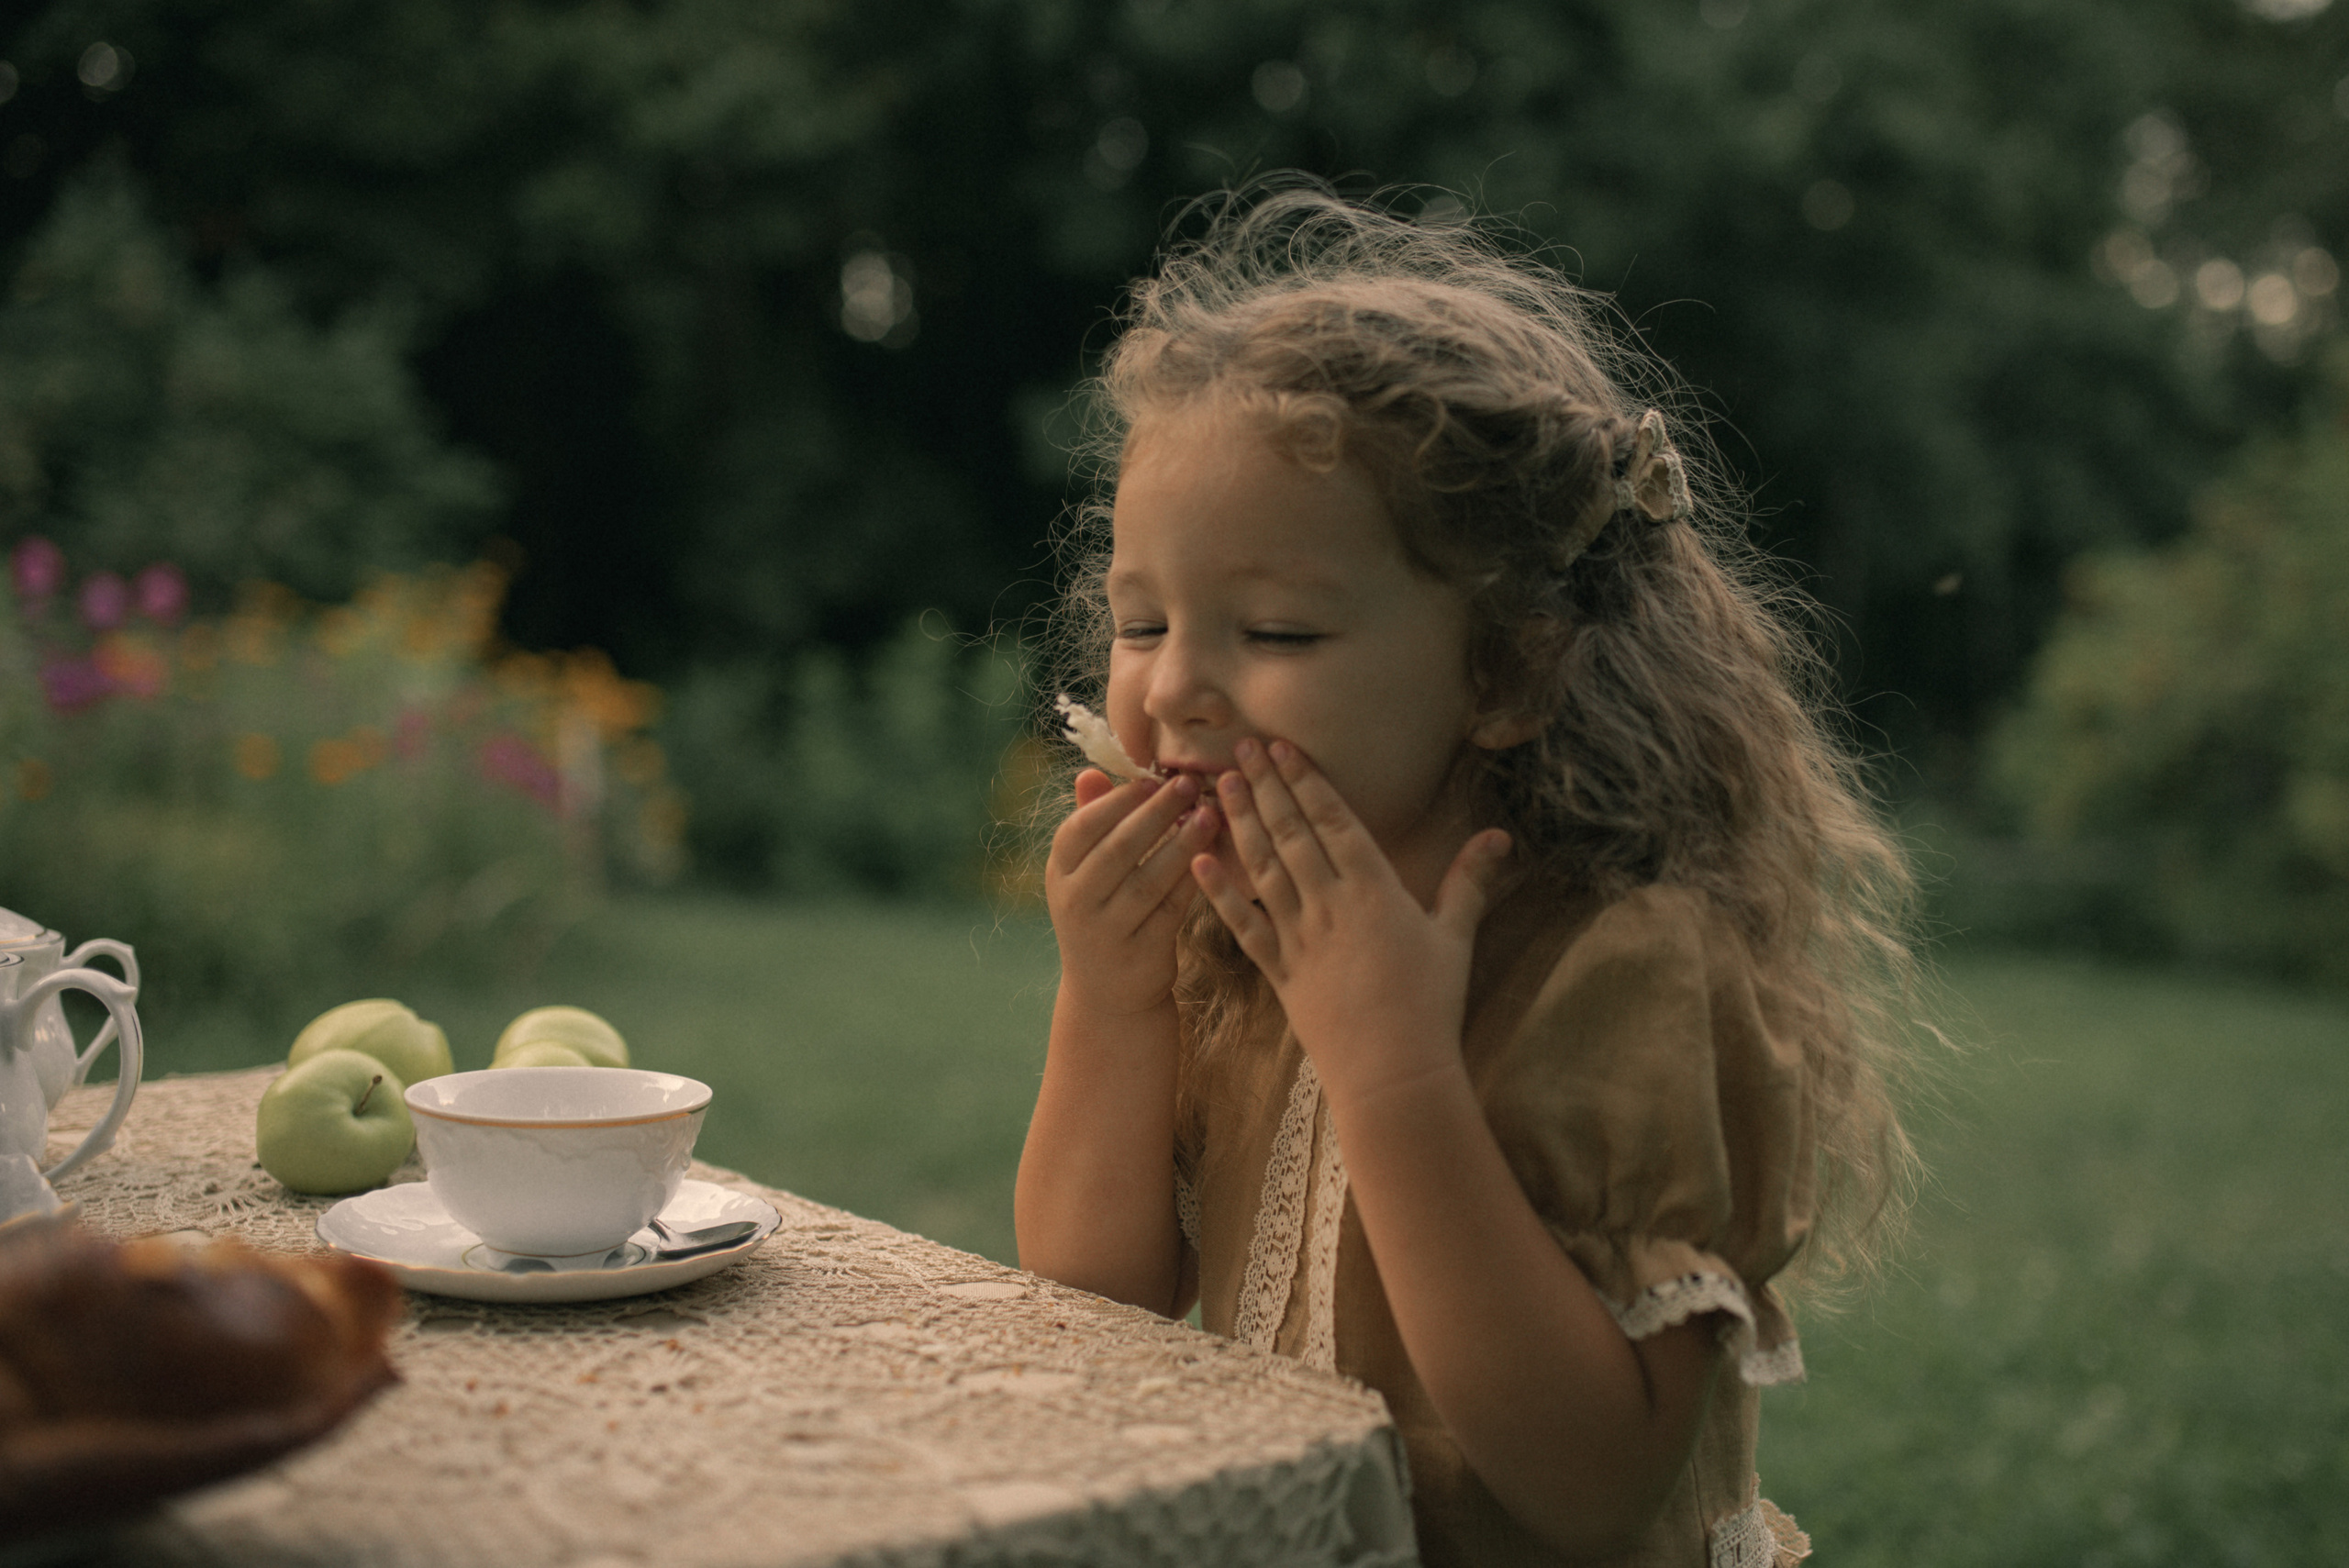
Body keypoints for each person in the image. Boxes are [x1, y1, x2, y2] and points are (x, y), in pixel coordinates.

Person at [1015, 184, 1924, 1568]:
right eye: (1141, 620)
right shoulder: (1242, 931)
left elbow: (1589, 1482)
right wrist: (1112, 1001)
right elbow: (1092, 1313)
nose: (1174, 686)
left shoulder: (1622, 969)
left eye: (1273, 628)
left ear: (1505, 666)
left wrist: (1394, 1071)